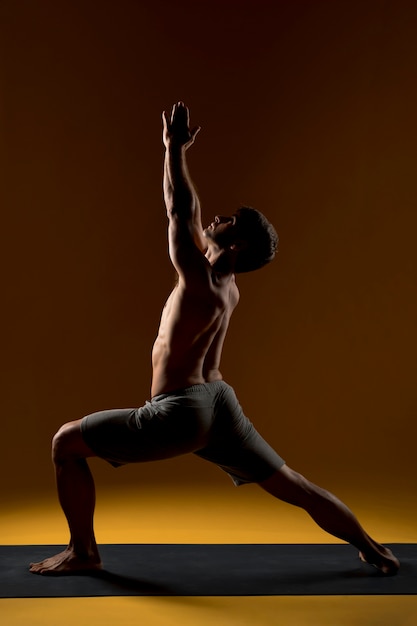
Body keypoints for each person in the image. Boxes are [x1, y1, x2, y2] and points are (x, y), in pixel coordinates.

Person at [29, 102, 399, 576]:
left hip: (182, 410)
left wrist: (173, 149)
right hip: (218, 401)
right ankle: (371, 546)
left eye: (227, 221)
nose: (216, 218)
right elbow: (192, 218)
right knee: (293, 484)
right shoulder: (227, 287)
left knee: (65, 443)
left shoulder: (200, 281)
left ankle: (84, 551)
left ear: (237, 244)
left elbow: (179, 210)